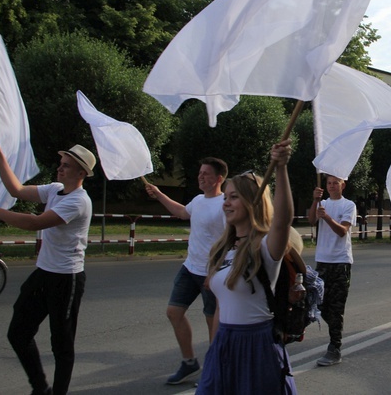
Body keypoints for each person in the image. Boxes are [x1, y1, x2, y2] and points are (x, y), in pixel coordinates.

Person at [0, 138, 95, 395]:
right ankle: (41, 387)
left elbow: (35, 223)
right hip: (44, 273)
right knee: (18, 333)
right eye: (61, 163)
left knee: (61, 345)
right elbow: (17, 190)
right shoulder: (55, 189)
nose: (60, 168)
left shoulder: (79, 201)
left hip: (67, 279)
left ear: (81, 173)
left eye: (67, 166)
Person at [196, 139, 295, 394]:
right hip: (224, 343)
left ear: (252, 202)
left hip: (258, 345)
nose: (225, 203)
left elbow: (283, 221)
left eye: (234, 197)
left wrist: (281, 168)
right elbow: (220, 306)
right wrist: (215, 349)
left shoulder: (264, 246)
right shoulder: (221, 250)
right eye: (225, 197)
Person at [144, 157, 228, 385]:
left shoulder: (225, 205)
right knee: (173, 312)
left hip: (212, 273)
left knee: (214, 324)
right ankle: (189, 361)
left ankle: (214, 371)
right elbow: (182, 212)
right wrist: (159, 194)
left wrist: (216, 271)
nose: (200, 177)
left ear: (219, 179)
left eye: (206, 174)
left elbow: (230, 240)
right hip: (190, 268)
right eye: (200, 172)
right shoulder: (198, 200)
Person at [308, 175, 356, 367]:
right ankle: (334, 331)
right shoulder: (322, 203)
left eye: (335, 183)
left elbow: (342, 231)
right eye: (329, 183)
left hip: (340, 262)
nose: (332, 186)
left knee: (336, 307)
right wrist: (315, 201)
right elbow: (312, 220)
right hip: (323, 261)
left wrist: (326, 217)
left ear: (342, 185)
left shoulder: (348, 205)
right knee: (319, 304)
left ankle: (335, 347)